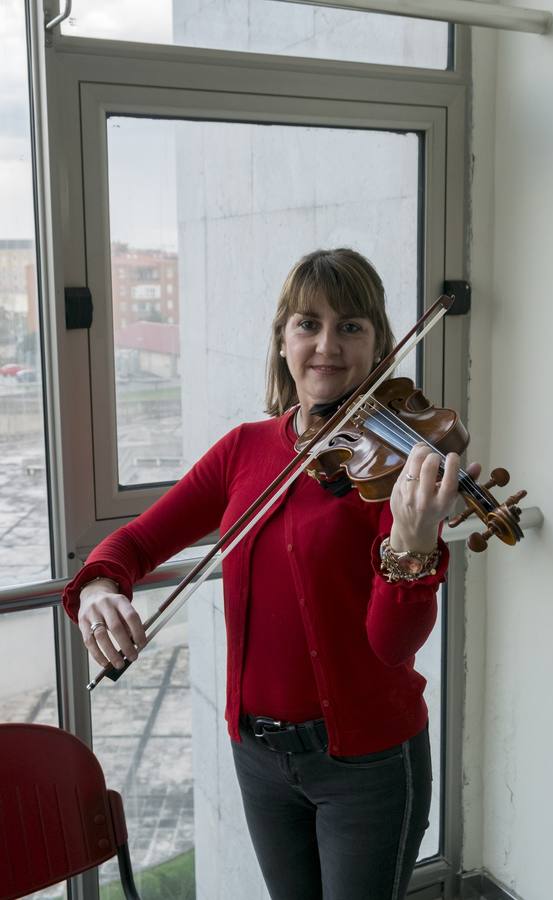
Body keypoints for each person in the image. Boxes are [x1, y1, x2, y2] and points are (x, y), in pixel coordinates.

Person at [62, 247, 478, 900]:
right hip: (257, 758)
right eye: (308, 323)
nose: (326, 345)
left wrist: (412, 540)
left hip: (366, 765)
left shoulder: (399, 472)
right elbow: (138, 539)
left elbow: (391, 645)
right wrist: (97, 584)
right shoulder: (244, 450)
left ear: (379, 346)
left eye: (350, 326)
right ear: (282, 337)